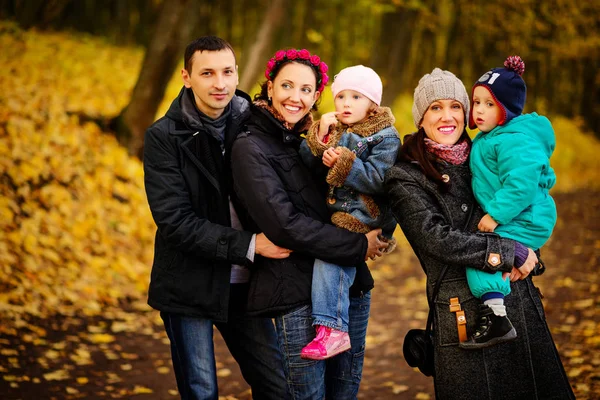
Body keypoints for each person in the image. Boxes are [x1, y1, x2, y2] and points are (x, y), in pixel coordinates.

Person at [384, 68, 574, 399]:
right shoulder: (406, 176)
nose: (448, 116)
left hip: (517, 300)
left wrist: (532, 257)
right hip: (463, 315)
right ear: (420, 117)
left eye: (456, 106)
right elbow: (435, 238)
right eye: (435, 108)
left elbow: (527, 204)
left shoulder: (488, 153)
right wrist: (509, 251)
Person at [231, 48, 387, 399]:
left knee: (344, 393)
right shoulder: (250, 146)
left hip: (351, 286)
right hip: (296, 293)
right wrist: (359, 246)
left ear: (316, 96)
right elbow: (284, 225)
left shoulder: (307, 141)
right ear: (270, 88)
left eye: (306, 90)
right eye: (287, 86)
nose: (295, 97)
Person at [143, 36, 291, 400]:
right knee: (201, 391)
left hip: (248, 284)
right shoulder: (164, 137)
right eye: (207, 73)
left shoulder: (257, 124)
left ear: (237, 72)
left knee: (278, 386)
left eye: (227, 72)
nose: (220, 83)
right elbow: (175, 221)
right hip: (188, 284)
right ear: (186, 77)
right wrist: (251, 244)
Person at [298, 65, 399, 360]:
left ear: (372, 104)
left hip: (367, 213)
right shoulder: (341, 130)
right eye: (340, 96)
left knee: (333, 253)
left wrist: (345, 163)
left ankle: (334, 329)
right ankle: (330, 328)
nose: (345, 103)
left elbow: (382, 179)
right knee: (330, 251)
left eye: (356, 97)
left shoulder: (385, 137)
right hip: (340, 210)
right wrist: (322, 134)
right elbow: (306, 162)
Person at [462, 55, 557, 349]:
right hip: (520, 216)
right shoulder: (494, 136)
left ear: (507, 110)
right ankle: (502, 299)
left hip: (525, 216)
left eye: (489, 104)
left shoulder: (513, 139)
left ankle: (497, 318)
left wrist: (495, 215)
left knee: (484, 255)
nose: (479, 110)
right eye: (476, 102)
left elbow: (522, 184)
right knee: (496, 256)